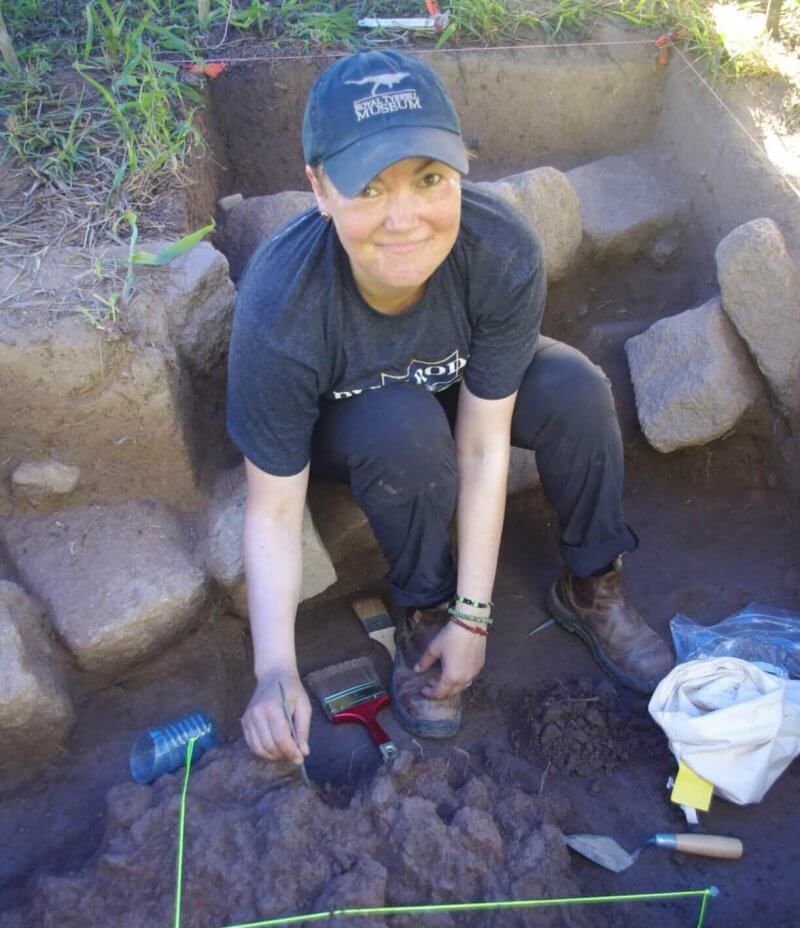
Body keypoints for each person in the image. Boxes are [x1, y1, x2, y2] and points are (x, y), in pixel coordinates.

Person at [227, 49, 673, 767]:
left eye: (429, 178)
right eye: (369, 187)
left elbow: (482, 441)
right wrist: (273, 669)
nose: (403, 218)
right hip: (369, 424)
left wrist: (480, 616)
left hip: (460, 386)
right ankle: (423, 610)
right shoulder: (284, 306)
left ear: (461, 169)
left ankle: (591, 584)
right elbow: (272, 509)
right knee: (404, 427)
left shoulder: (500, 251)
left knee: (576, 390)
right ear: (319, 187)